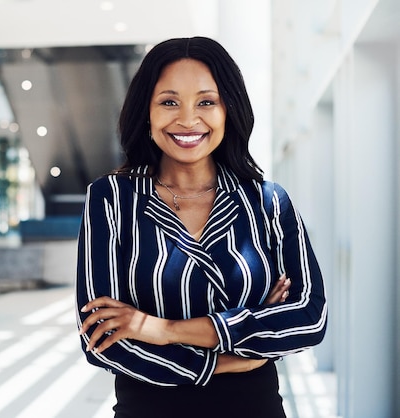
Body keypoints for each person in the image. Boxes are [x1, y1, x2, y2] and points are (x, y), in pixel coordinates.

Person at [75, 37, 327, 418]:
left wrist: (162, 329)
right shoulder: (111, 199)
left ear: (229, 110)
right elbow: (103, 338)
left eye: (206, 101)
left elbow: (309, 317)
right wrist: (235, 352)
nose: (188, 119)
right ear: (147, 111)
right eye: (169, 102)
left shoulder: (268, 203)